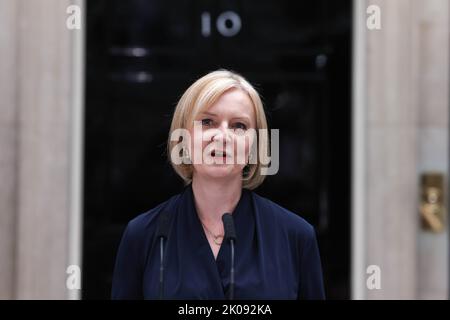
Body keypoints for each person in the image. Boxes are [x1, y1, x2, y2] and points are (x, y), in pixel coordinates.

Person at [111, 69, 325, 299]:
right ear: (183, 137)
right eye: (207, 122)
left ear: (255, 145)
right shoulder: (143, 234)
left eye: (239, 126)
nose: (222, 136)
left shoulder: (296, 236)